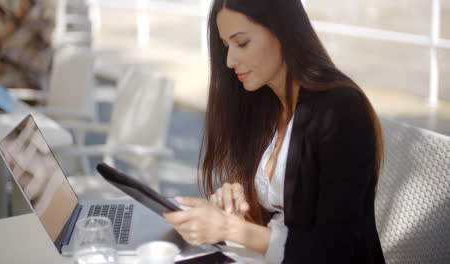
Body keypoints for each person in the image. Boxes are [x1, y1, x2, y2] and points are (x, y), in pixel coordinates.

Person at [163, 0, 386, 263]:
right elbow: (279, 218)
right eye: (226, 46)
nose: (230, 60)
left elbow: (335, 250)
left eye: (242, 42)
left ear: (283, 31)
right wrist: (237, 210)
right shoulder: (266, 106)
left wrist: (229, 229)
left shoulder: (341, 110)